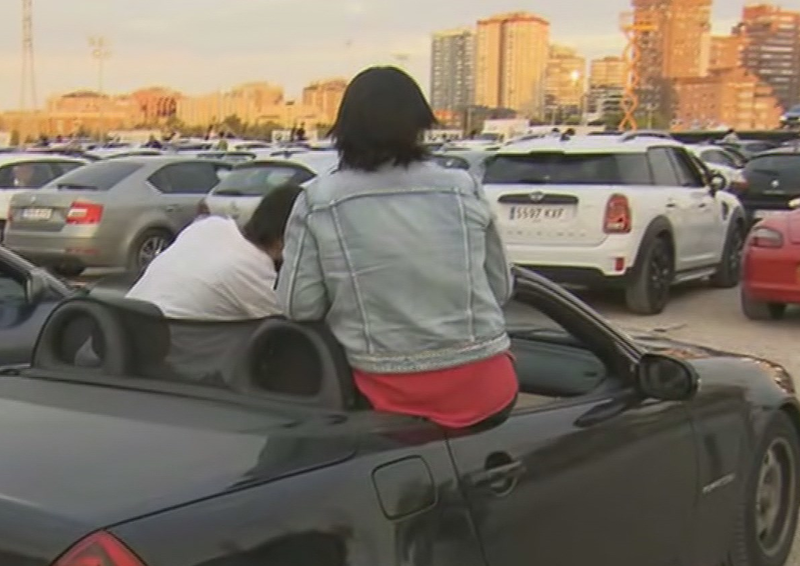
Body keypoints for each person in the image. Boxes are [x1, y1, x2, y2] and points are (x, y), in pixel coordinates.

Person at [276, 66, 517, 429]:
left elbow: (298, 305)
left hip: (388, 399)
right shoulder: (462, 186)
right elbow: (501, 287)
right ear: (420, 123)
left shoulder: (319, 200)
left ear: (344, 127)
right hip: (486, 389)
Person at [126, 183, 304, 320]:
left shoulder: (208, 226)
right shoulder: (253, 269)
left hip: (124, 339)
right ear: (285, 238)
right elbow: (298, 317)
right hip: (174, 356)